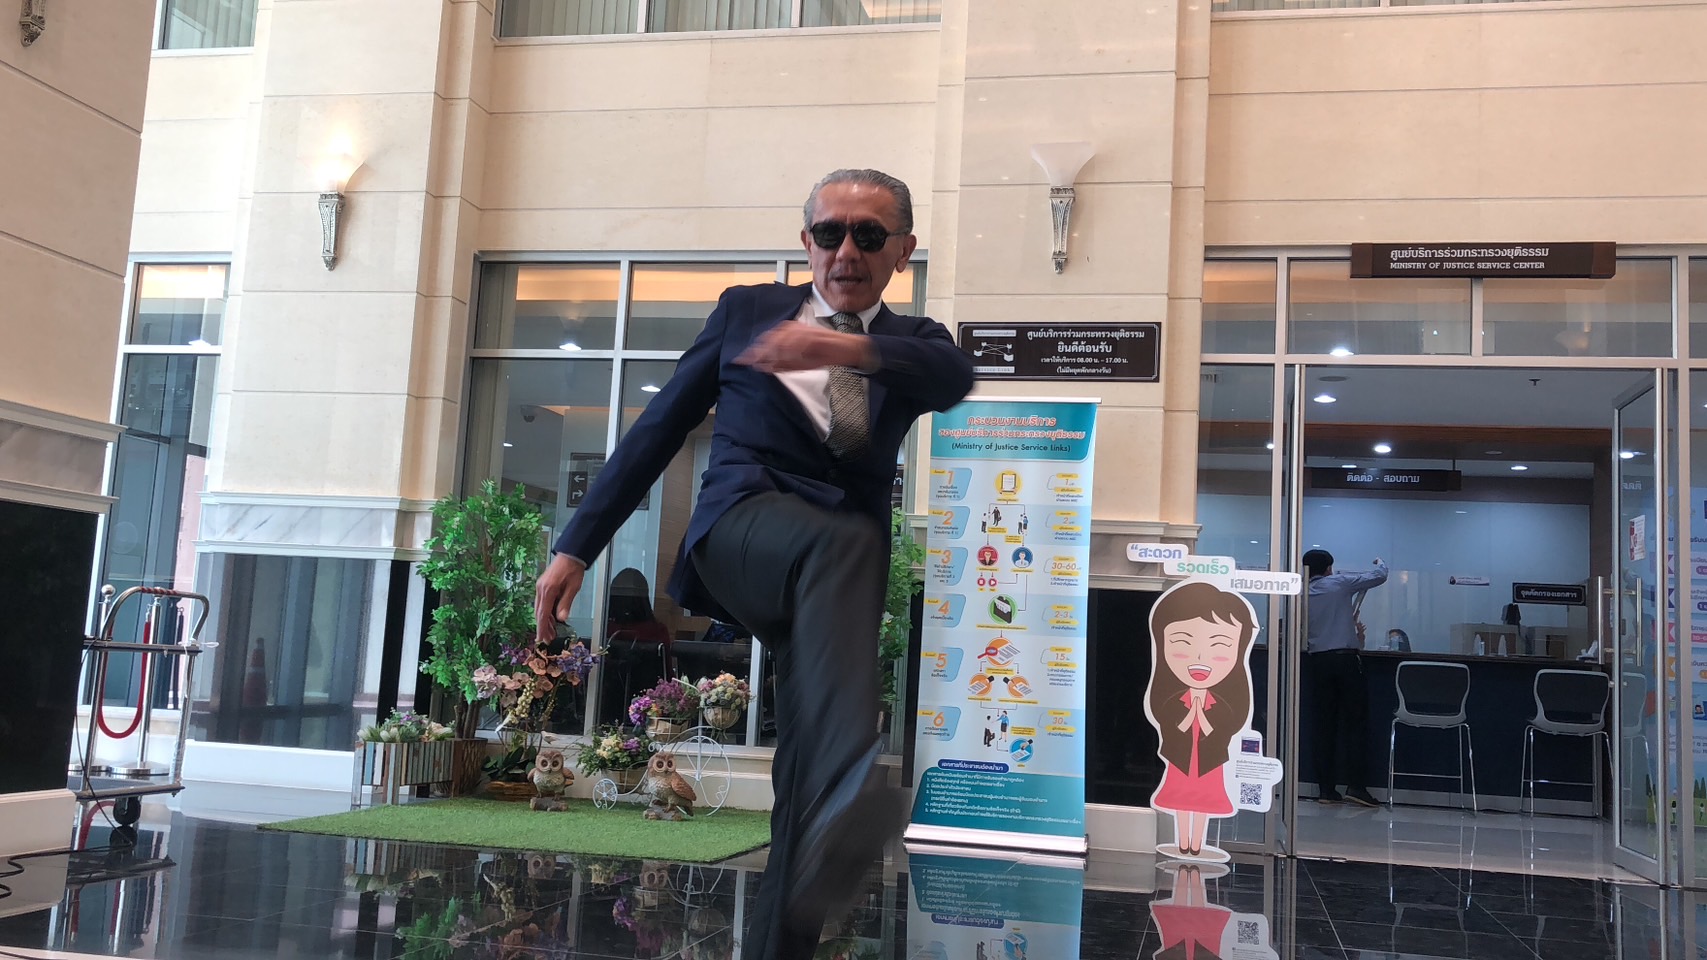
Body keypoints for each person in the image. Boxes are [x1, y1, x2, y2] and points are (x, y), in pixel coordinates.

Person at [533, 168, 974, 960]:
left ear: (901, 250)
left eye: (868, 235)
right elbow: (660, 426)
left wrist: (843, 346)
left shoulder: (914, 343)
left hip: (831, 586)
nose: (846, 251)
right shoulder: (748, 311)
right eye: (829, 233)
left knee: (807, 784)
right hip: (742, 528)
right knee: (845, 543)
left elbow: (954, 378)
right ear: (806, 242)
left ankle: (808, 873)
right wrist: (576, 546)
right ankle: (851, 781)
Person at [1145, 580, 1258, 863]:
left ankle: (1196, 844)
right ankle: (1182, 843)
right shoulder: (1173, 699)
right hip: (1180, 758)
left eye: (1219, 644)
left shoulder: (1223, 703)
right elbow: (1174, 726)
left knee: (1203, 801)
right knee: (1181, 800)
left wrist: (1202, 716)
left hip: (1209, 761)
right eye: (1182, 642)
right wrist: (1190, 714)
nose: (1198, 657)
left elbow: (1220, 730)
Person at [1301, 548, 1388, 807]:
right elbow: (1379, 575)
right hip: (1345, 660)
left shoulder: (1299, 591)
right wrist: (1380, 560)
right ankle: (1356, 787)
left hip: (1317, 662)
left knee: (1323, 726)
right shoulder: (1339, 583)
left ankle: (1325, 790)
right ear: (1329, 568)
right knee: (1355, 724)